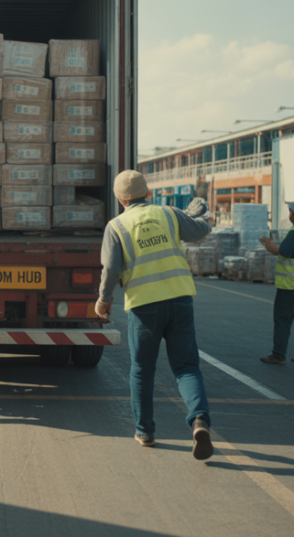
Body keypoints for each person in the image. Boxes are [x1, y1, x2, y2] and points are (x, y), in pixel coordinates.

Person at [96, 171, 215, 460]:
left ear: (119, 198)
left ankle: (145, 431)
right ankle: (199, 420)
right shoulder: (169, 213)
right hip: (180, 299)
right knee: (187, 367)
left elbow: (111, 270)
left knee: (142, 369)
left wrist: (104, 300)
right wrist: (203, 217)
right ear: (148, 192)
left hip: (145, 306)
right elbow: (200, 231)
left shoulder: (116, 226)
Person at [258, 199, 294, 365]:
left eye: (291, 211)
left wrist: (270, 245)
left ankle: (278, 355)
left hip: (292, 285)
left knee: (282, 319)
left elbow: (283, 251)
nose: (289, 214)